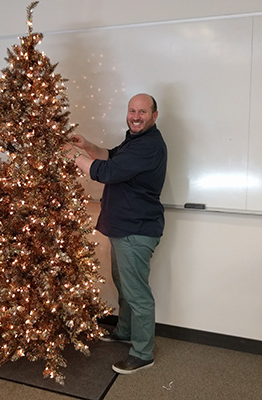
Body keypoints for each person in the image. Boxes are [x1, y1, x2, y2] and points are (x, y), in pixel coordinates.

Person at [66, 93, 167, 374]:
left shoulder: (149, 146)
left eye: (142, 112)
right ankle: (124, 332)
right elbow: (110, 156)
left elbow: (105, 172)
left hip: (136, 230)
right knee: (123, 284)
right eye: (132, 110)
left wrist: (71, 155)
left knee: (137, 293)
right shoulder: (134, 140)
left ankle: (143, 353)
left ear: (154, 116)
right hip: (122, 227)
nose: (135, 116)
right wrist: (87, 146)